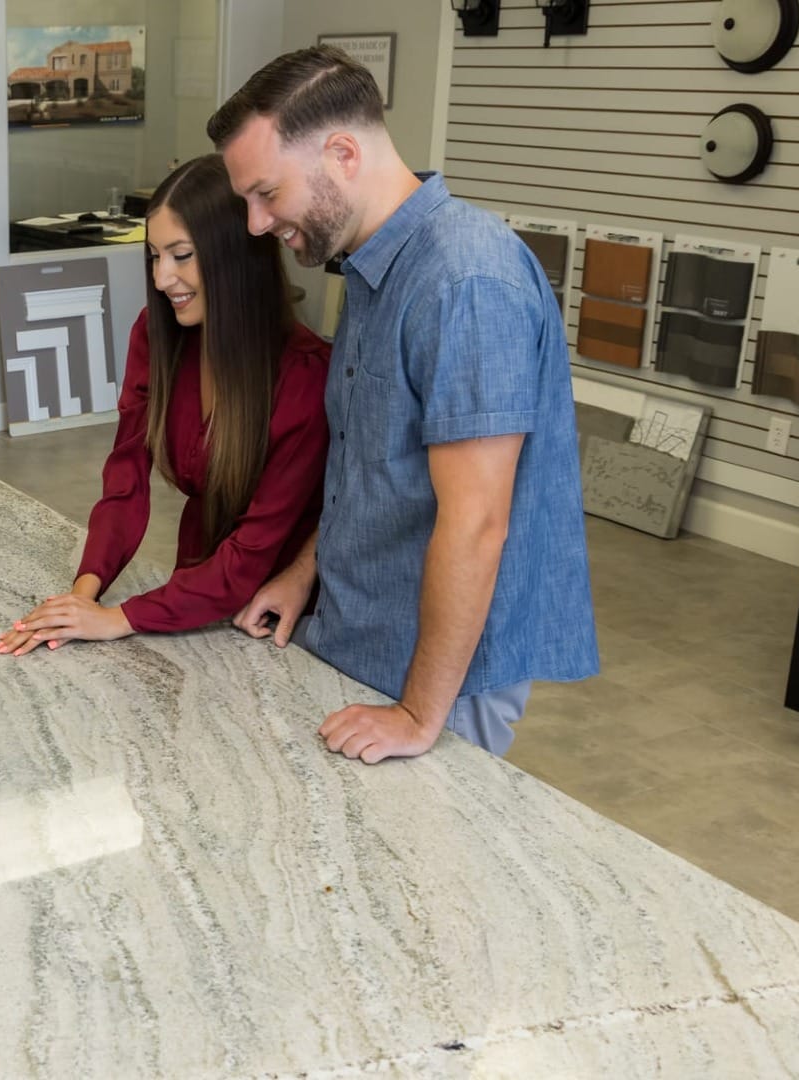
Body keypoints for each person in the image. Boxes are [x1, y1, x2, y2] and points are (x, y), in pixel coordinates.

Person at [207, 47, 598, 764]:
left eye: (267, 193)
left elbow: (478, 521)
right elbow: (371, 462)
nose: (257, 224)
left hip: (440, 679)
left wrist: (418, 715)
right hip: (360, 629)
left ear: (344, 153)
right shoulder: (369, 266)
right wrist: (305, 572)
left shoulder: (465, 281)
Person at [0, 155, 329, 655]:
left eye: (181, 255)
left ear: (235, 255)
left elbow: (250, 555)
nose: (161, 278)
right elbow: (126, 477)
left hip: (275, 608)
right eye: (154, 256)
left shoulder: (305, 376)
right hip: (195, 586)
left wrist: (119, 618)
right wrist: (83, 593)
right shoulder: (158, 339)